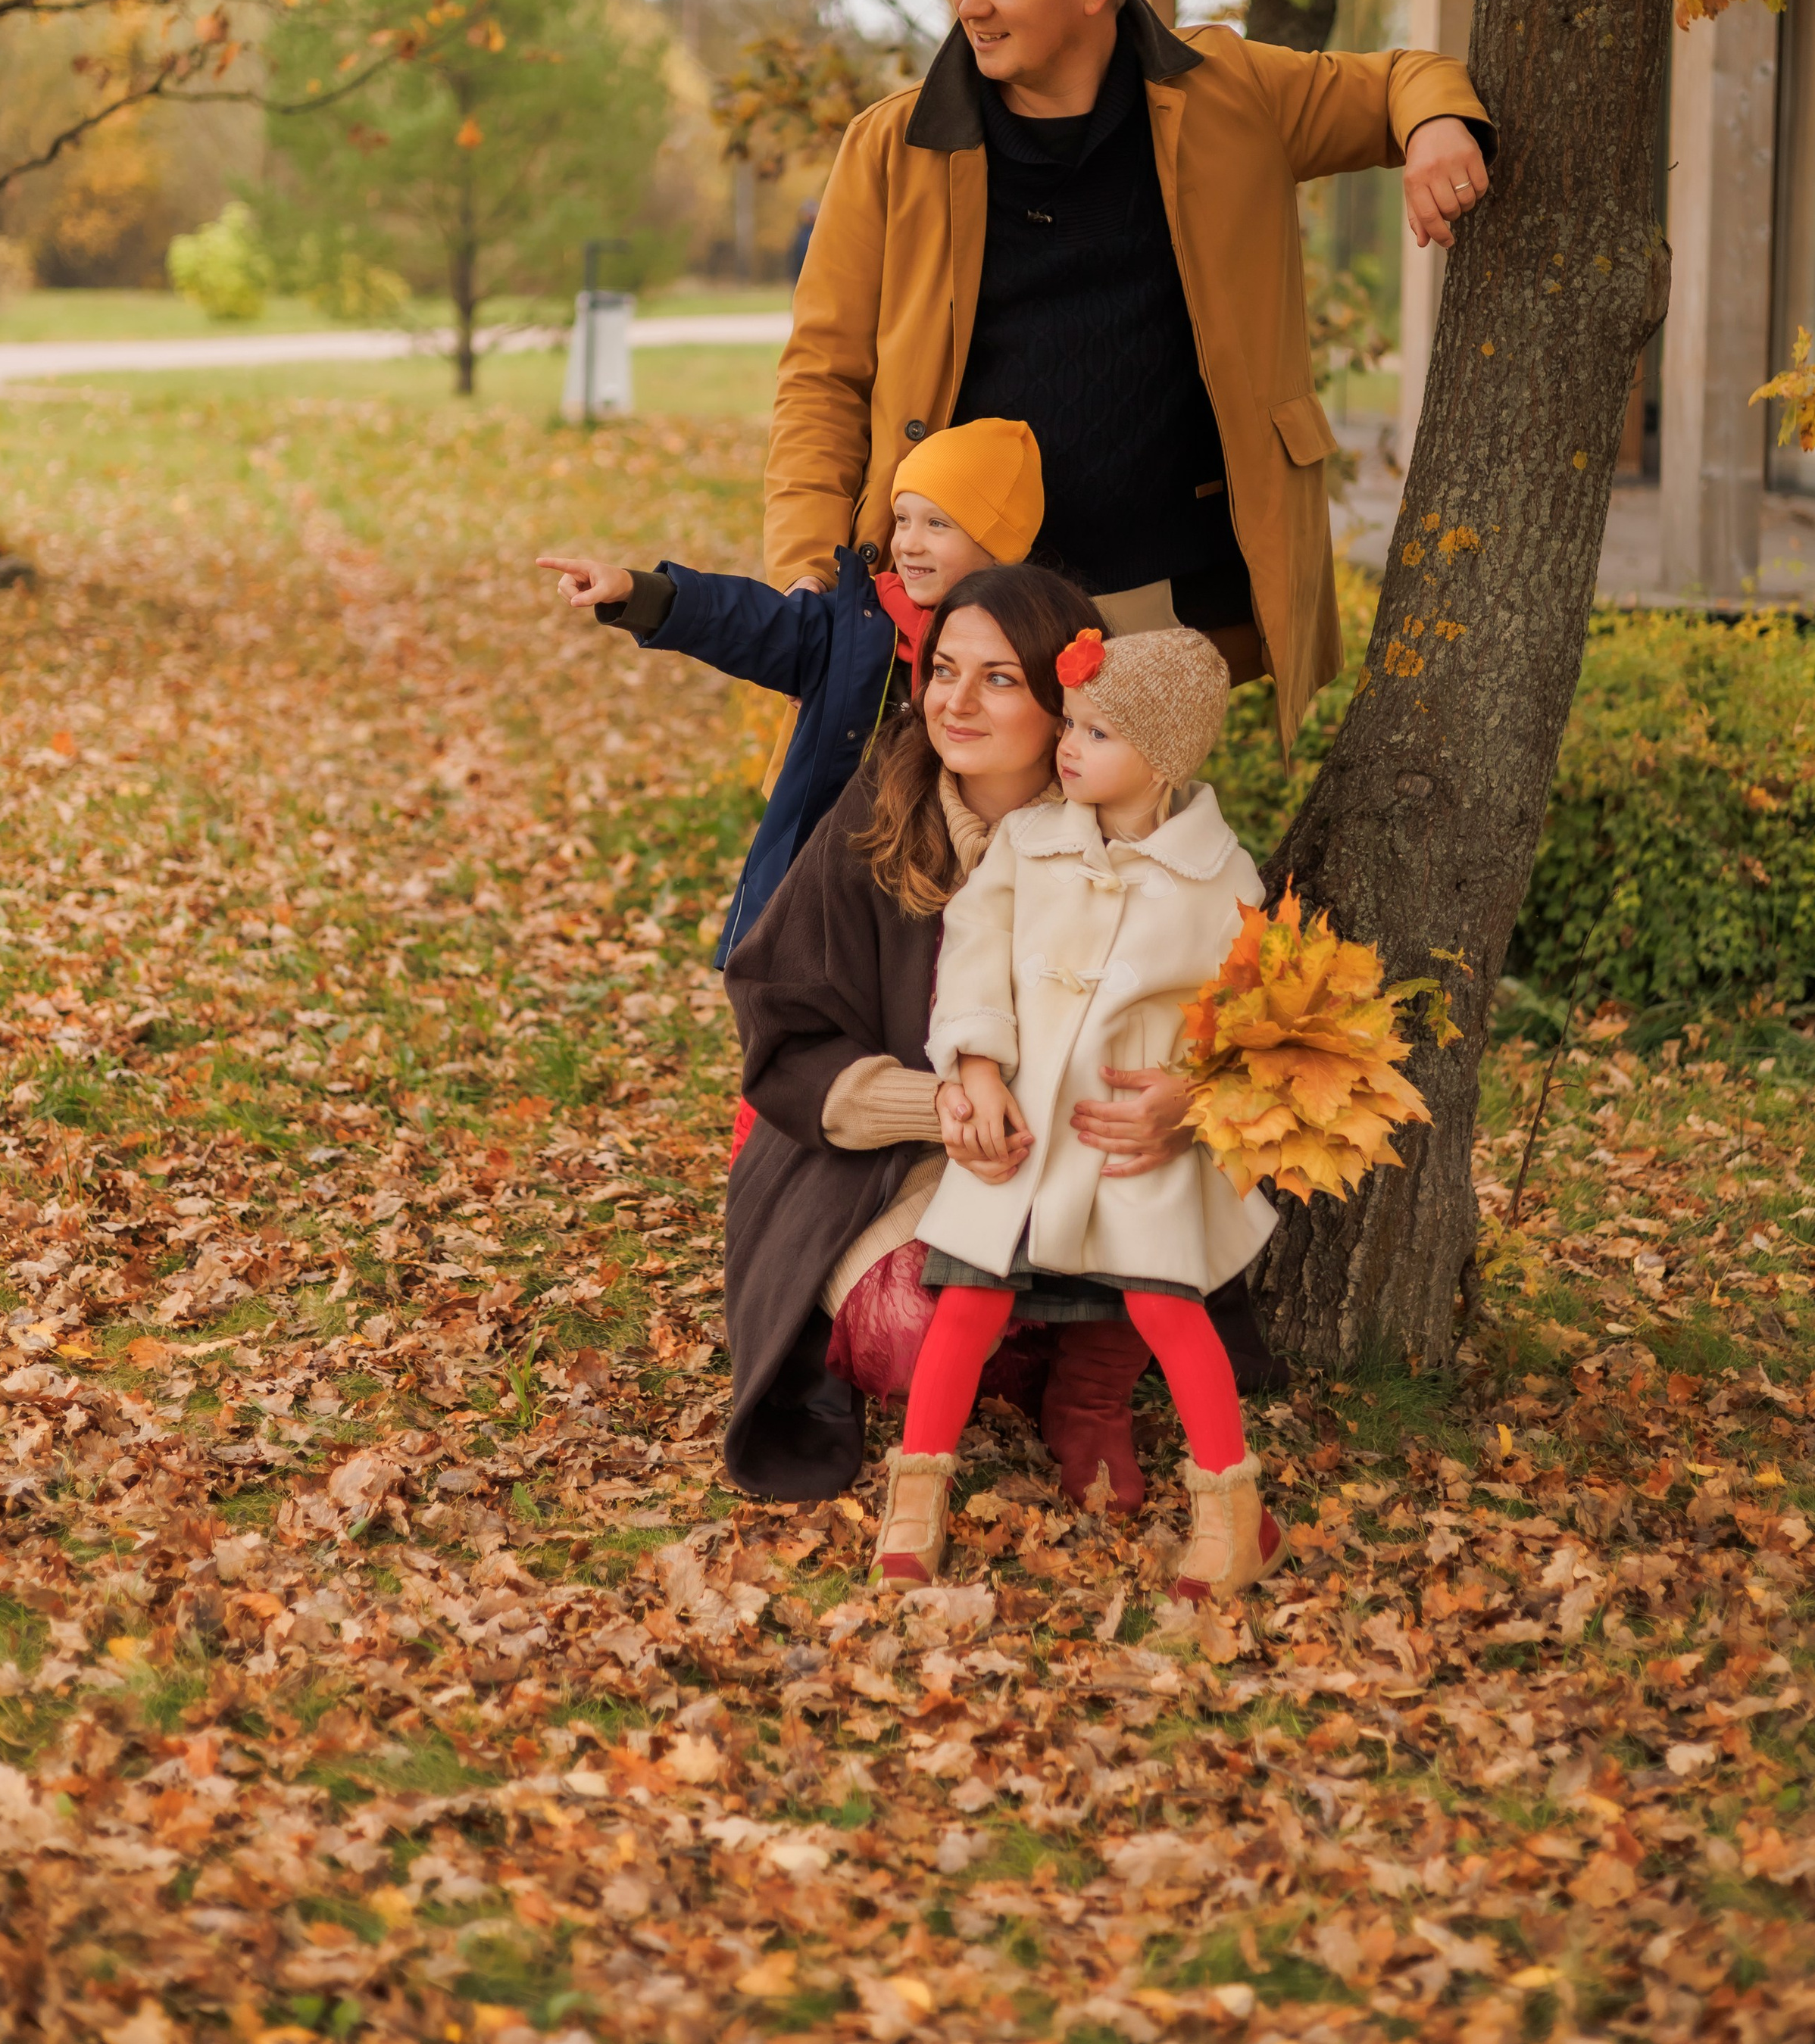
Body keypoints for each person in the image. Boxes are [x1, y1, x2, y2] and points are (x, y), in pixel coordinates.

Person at [765, 0, 1492, 740]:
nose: (969, 3)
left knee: (1127, 868)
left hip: (1163, 604)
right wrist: (804, 566)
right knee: (944, 867)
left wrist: (1436, 130)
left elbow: (1401, 79)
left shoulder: (1230, 95)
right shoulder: (890, 147)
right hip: (961, 608)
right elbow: (822, 378)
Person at [720, 566, 1266, 1503]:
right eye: (942, 670)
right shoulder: (879, 813)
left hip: (1090, 1149)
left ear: (1068, 703)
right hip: (880, 1156)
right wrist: (940, 1102)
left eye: (1000, 678)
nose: (955, 703)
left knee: (1139, 1228)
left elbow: (1243, 1009)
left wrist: (1195, 1100)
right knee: (921, 1326)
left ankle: (1087, 1395)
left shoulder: (1153, 845)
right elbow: (784, 1023)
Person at [870, 624, 1287, 1602]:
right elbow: (973, 949)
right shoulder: (1030, 841)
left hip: (1130, 1132)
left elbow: (1252, 1011)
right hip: (1022, 1121)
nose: (1070, 746)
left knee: (1165, 1306)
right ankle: (915, 1496)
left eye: (1098, 734)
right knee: (968, 1298)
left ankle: (1236, 1518)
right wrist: (976, 1060)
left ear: (1166, 756)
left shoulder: (1221, 876)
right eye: (1075, 723)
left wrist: (1196, 1092)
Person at [536, 415, 1043, 968]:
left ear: (995, 544)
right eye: (901, 519)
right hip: (836, 881)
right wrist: (643, 593)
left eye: (937, 525)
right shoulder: (856, 624)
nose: (908, 543)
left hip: (961, 888)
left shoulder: (1031, 647)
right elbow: (751, 622)